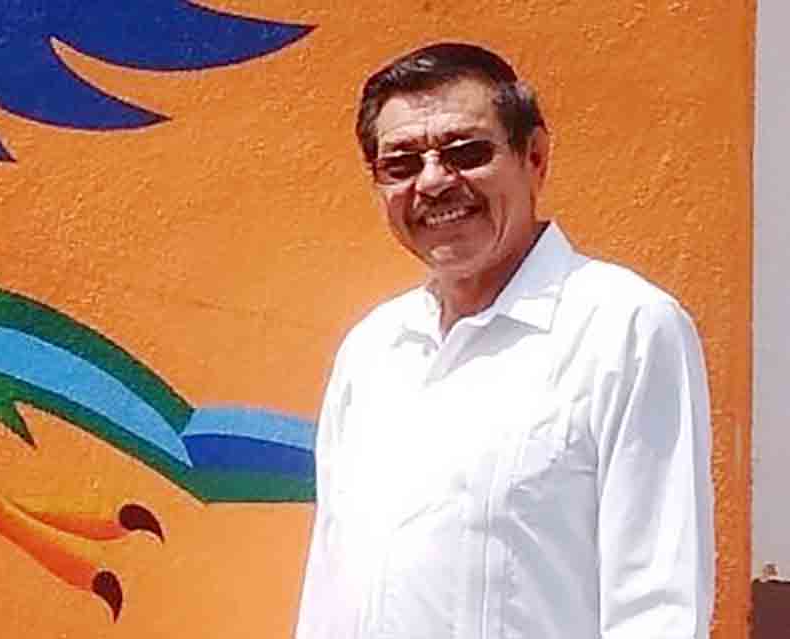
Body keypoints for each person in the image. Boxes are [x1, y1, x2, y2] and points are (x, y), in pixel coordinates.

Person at [295, 43, 714, 639]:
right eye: (401, 164)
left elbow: (657, 603)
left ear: (534, 157)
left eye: (467, 152)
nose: (433, 182)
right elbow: (331, 589)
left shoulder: (625, 328)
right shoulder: (373, 350)